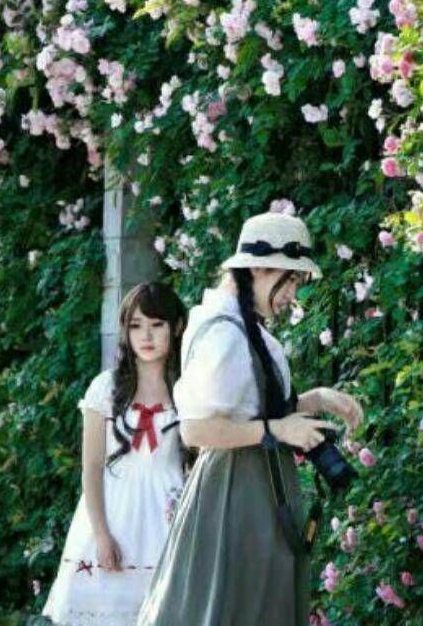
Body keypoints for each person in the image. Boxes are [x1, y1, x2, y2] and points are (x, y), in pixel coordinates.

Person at [137, 211, 363, 626]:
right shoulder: (225, 334)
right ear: (258, 268)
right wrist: (278, 429)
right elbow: (196, 429)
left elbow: (251, 411)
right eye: (290, 278)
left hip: (255, 488)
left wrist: (316, 399)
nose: (292, 293)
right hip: (234, 494)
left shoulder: (246, 330)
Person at [42, 282, 188, 625]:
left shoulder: (188, 387)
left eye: (156, 324)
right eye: (136, 326)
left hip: (168, 514)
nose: (146, 336)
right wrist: (102, 535)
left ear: (176, 326)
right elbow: (91, 468)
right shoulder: (105, 388)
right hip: (114, 514)